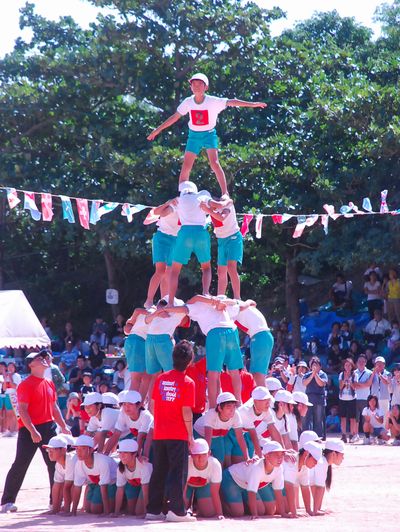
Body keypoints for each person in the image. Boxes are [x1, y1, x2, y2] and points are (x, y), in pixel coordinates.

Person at [147, 72, 267, 195]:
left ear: (206, 87)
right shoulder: (188, 102)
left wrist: (253, 104)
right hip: (194, 135)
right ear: (190, 87)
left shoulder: (213, 101)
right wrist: (157, 130)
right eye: (194, 84)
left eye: (200, 84)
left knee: (214, 163)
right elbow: (175, 117)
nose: (196, 86)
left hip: (209, 134)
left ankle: (225, 194)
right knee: (186, 166)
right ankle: (183, 195)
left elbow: (232, 101)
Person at [1, 351, 71, 513]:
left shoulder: (49, 382)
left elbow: (54, 407)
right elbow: (23, 410)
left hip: (48, 427)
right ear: (31, 364)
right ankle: (7, 501)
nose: (44, 360)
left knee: (55, 464)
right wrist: (32, 430)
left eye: (44, 357)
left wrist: (64, 425)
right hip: (28, 428)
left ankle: (55, 502)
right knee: (20, 464)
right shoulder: (26, 384)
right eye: (39, 358)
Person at [157, 294, 243, 406]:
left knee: (213, 374)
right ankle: (239, 403)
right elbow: (237, 303)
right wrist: (217, 301)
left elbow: (188, 304)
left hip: (215, 333)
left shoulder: (195, 305)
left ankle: (212, 407)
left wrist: (163, 309)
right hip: (231, 331)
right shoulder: (220, 299)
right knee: (234, 371)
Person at [145, 340, 196, 522]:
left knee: (159, 471)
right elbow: (186, 411)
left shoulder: (161, 378)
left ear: (172, 358)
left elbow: (152, 405)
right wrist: (190, 435)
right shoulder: (188, 382)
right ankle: (176, 511)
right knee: (177, 472)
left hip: (160, 432)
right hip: (178, 433)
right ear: (189, 361)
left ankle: (153, 510)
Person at [167, 181, 212, 303]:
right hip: (200, 233)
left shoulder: (179, 200)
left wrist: (168, 202)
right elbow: (213, 206)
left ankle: (170, 302)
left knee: (175, 270)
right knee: (206, 267)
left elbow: (162, 213)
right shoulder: (202, 195)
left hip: (185, 234)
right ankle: (206, 293)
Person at [220, 440, 289, 519]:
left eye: (282, 454)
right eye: (276, 454)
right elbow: (251, 492)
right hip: (230, 478)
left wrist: (283, 513)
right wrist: (254, 515)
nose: (280, 458)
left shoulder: (279, 468)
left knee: (264, 511)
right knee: (237, 512)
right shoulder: (257, 468)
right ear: (266, 456)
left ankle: (238, 502)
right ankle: (223, 500)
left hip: (246, 485)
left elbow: (278, 491)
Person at [200, 195, 243, 298]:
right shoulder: (211, 209)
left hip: (233, 237)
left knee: (231, 267)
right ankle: (221, 297)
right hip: (221, 240)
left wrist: (208, 210)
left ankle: (237, 297)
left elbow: (221, 218)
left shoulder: (227, 204)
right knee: (221, 270)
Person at [194, 392, 248, 466]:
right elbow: (208, 437)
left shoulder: (236, 415)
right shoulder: (211, 414)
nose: (232, 410)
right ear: (219, 408)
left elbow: (240, 437)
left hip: (217, 437)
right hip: (199, 435)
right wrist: (206, 452)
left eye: (234, 406)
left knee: (220, 463)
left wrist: (247, 458)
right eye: (228, 407)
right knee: (200, 461)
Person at [144, 198, 180, 308]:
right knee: (160, 270)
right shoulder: (177, 203)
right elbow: (157, 212)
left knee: (168, 273)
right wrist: (168, 203)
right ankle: (149, 301)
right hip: (162, 238)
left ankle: (164, 301)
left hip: (176, 240)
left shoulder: (192, 207)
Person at [71, 435, 117, 515]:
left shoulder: (102, 461)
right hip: (97, 484)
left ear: (91, 449)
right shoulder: (79, 463)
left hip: (112, 484)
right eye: (77, 449)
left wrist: (106, 512)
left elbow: (104, 486)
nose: (79, 452)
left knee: (95, 509)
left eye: (83, 449)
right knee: (88, 509)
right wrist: (73, 511)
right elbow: (77, 487)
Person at [234, 299, 274, 387]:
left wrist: (247, 303)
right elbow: (252, 302)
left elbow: (243, 306)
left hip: (260, 336)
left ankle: (264, 398)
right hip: (259, 337)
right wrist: (248, 302)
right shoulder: (241, 304)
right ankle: (262, 396)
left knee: (257, 373)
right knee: (256, 374)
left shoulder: (232, 307)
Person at [103, 390, 153, 458]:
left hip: (151, 444)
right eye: (124, 404)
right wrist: (106, 454)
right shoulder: (123, 412)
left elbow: (141, 437)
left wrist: (136, 456)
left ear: (138, 405)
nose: (126, 407)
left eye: (130, 404)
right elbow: (116, 434)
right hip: (137, 441)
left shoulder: (146, 416)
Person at [112, 439, 153, 517]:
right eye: (120, 453)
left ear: (134, 454)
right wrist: (116, 512)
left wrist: (146, 513)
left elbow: (145, 490)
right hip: (135, 485)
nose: (122, 456)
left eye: (125, 453)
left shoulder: (143, 466)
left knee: (139, 512)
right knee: (131, 511)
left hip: (149, 486)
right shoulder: (120, 467)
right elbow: (120, 490)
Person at [184, 438, 223, 519]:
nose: (200, 458)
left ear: (209, 453)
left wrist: (219, 514)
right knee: (182, 510)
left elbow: (215, 492)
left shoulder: (215, 464)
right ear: (191, 454)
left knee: (209, 513)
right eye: (197, 455)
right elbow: (182, 489)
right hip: (187, 487)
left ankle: (198, 507)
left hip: (204, 486)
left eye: (203, 455)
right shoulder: (185, 463)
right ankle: (188, 507)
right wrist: (180, 508)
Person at [283, 440, 323, 517]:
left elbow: (305, 488)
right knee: (286, 508)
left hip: (279, 489)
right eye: (315, 460)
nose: (316, 463)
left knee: (286, 507)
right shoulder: (292, 461)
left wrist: (309, 511)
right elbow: (289, 488)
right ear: (306, 454)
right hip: (269, 486)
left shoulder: (304, 467)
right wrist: (294, 513)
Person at [123, 307, 153, 399]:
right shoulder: (153, 311)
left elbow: (126, 330)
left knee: (147, 377)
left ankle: (139, 404)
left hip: (139, 343)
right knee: (136, 379)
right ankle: (131, 405)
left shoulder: (149, 312)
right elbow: (137, 310)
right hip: (137, 342)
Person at [43, 434, 77, 514]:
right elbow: (57, 485)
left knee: (94, 509)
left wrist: (66, 509)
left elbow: (69, 487)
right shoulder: (58, 464)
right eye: (48, 450)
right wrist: (55, 510)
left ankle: (68, 509)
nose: (49, 453)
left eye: (53, 450)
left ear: (64, 450)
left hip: (99, 482)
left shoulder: (71, 460)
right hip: (91, 482)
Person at [310, 439, 345, 514]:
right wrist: (315, 511)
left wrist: (317, 509)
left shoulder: (323, 462)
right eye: (342, 454)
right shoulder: (322, 463)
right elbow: (318, 488)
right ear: (333, 454)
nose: (343, 458)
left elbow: (317, 486)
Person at [303, 357, 328, 438]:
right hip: (309, 397)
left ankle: (319, 436)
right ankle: (307, 436)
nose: (314, 367)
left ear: (320, 366)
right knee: (307, 418)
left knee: (318, 418)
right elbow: (305, 383)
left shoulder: (323, 374)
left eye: (316, 365)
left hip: (319, 398)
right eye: (312, 365)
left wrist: (316, 374)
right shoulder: (307, 374)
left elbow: (321, 384)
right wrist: (312, 375)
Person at [352, 354, 374, 438]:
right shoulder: (354, 372)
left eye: (363, 361)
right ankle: (355, 435)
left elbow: (369, 384)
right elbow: (353, 385)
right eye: (359, 361)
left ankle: (367, 436)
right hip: (355, 397)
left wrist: (359, 384)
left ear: (365, 362)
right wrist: (364, 384)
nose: (361, 363)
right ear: (356, 363)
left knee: (366, 418)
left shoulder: (369, 372)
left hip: (366, 398)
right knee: (355, 418)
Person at [338, 359, 358, 443]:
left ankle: (352, 434)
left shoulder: (355, 375)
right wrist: (344, 380)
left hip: (352, 398)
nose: (347, 367)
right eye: (346, 365)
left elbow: (355, 387)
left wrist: (350, 382)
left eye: (349, 365)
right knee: (343, 417)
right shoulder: (341, 374)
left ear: (352, 366)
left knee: (352, 418)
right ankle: (343, 435)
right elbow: (340, 387)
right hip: (343, 398)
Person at [2, 361, 21, 436]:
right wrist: (5, 379)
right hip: (7, 395)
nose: (10, 368)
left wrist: (10, 377)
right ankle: (9, 429)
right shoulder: (6, 376)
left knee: (15, 414)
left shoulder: (17, 376)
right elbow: (4, 388)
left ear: (14, 368)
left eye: (12, 367)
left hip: (14, 395)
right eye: (9, 367)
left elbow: (15, 386)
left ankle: (16, 430)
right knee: (8, 414)